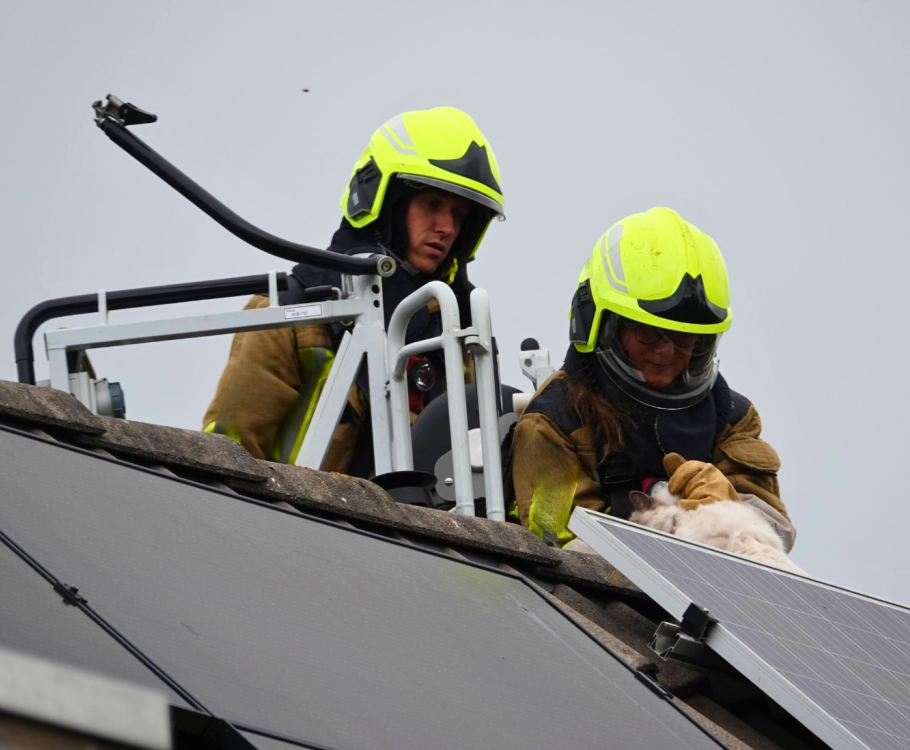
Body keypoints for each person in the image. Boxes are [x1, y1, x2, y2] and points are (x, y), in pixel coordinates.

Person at [204, 107, 504, 477]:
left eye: (459, 215)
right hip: (295, 523)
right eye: (432, 205)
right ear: (384, 204)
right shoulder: (288, 314)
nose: (446, 227)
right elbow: (229, 454)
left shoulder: (457, 333)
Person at [510, 207, 793, 550]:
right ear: (599, 324)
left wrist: (728, 507)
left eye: (685, 338)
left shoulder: (732, 417)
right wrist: (692, 527)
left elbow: (778, 536)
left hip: (717, 598)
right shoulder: (553, 423)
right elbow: (559, 550)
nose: (666, 351)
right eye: (648, 332)